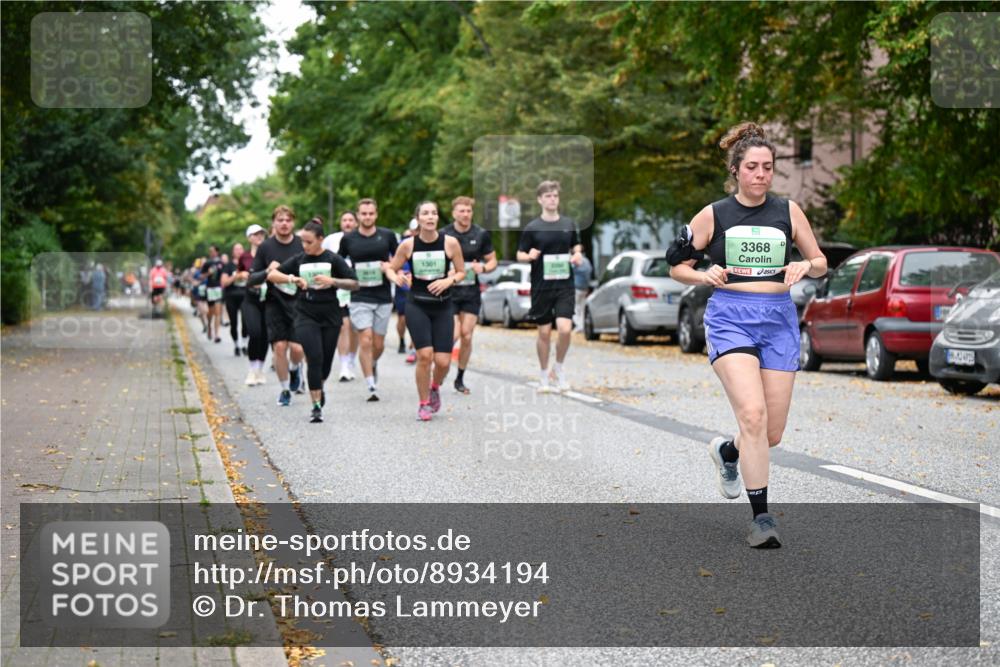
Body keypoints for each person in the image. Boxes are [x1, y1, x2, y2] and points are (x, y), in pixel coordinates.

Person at [668, 122, 827, 549]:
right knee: (752, 416)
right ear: (736, 170)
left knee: (769, 434)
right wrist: (703, 275)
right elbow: (676, 266)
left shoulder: (788, 212)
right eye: (752, 167)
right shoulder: (714, 214)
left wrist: (803, 267)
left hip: (778, 319)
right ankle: (762, 520)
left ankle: (729, 452)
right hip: (730, 318)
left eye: (768, 167)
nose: (761, 174)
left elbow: (820, 260)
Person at [267, 218, 358, 423]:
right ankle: (316, 405)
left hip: (330, 314)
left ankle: (319, 385)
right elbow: (273, 275)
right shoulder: (299, 260)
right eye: (303, 242)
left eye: (309, 242)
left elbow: (354, 283)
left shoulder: (333, 259)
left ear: (320, 239)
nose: (305, 246)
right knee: (314, 357)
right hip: (305, 313)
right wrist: (293, 279)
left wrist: (333, 281)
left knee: (325, 363)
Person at [387, 201, 465, 421]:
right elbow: (391, 270)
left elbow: (461, 272)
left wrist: (448, 281)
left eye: (434, 213)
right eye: (425, 213)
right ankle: (423, 404)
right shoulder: (408, 245)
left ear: (438, 218)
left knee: (442, 362)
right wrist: (398, 278)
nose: (430, 217)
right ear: (418, 219)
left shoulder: (450, 243)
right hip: (417, 304)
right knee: (424, 356)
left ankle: (435, 387)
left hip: (443, 305)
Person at [516, 180, 584, 393]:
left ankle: (559, 367)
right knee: (544, 333)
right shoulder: (532, 227)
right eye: (548, 196)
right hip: (541, 286)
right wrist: (529, 256)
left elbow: (576, 245)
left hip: (565, 285)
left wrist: (578, 254)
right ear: (540, 200)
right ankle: (544, 374)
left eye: (555, 196)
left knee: (565, 329)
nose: (552, 199)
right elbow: (519, 254)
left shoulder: (568, 223)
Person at [338, 198, 399, 402]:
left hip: (382, 296)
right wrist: (349, 274)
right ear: (358, 215)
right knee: (366, 339)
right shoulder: (349, 239)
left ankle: (372, 362)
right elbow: (339, 262)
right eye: (363, 214)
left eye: (371, 213)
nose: (367, 217)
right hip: (359, 296)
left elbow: (398, 261)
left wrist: (388, 267)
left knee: (378, 344)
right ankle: (371, 384)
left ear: (376, 214)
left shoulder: (387, 236)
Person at [248, 205, 307, 406]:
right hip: (274, 302)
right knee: (280, 347)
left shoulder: (301, 244)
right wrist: (267, 271)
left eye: (288, 220)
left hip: (298, 303)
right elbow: (251, 279)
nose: (284, 223)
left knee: (298, 348)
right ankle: (284, 390)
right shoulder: (266, 247)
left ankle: (294, 369)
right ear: (273, 223)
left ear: (293, 222)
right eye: (280, 220)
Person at [442, 196, 497, 394]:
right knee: (453, 334)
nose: (465, 214)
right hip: (449, 292)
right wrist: (445, 272)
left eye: (468, 211)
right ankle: (441, 365)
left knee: (467, 335)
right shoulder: (444, 234)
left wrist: (483, 267)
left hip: (471, 292)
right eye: (461, 211)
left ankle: (459, 378)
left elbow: (492, 261)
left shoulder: (480, 234)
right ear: (454, 213)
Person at [323, 211, 362, 382]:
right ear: (340, 223)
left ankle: (351, 358)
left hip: (359, 286)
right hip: (340, 288)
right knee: (343, 325)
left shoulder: (361, 238)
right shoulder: (331, 239)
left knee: (355, 327)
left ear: (356, 222)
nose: (347, 223)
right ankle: (344, 365)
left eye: (350, 220)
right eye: (344, 220)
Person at [240, 225, 269, 385]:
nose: (259, 237)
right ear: (249, 237)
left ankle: (260, 369)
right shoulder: (244, 257)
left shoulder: (269, 253)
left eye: (261, 234)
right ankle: (252, 370)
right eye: (255, 234)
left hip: (267, 299)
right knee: (255, 332)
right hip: (250, 299)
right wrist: (242, 275)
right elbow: (240, 273)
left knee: (265, 335)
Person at [396, 220, 417, 362]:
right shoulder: (403, 244)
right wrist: (398, 274)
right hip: (403, 288)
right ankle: (402, 340)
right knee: (402, 319)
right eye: (415, 229)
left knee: (416, 319)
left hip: (418, 290)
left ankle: (415, 348)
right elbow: (393, 264)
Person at [202, 245, 224, 343]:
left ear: (217, 252)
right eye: (210, 251)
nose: (211, 253)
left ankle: (217, 335)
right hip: (210, 289)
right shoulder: (207, 263)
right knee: (211, 312)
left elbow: (225, 274)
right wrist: (208, 273)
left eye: (212, 251)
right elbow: (202, 276)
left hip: (218, 288)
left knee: (218, 312)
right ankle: (209, 326)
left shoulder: (221, 263)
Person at [573, 252, 593, 332]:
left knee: (575, 308)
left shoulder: (576, 267)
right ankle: (581, 325)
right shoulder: (587, 263)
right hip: (585, 289)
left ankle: (579, 325)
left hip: (577, 289)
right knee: (581, 308)